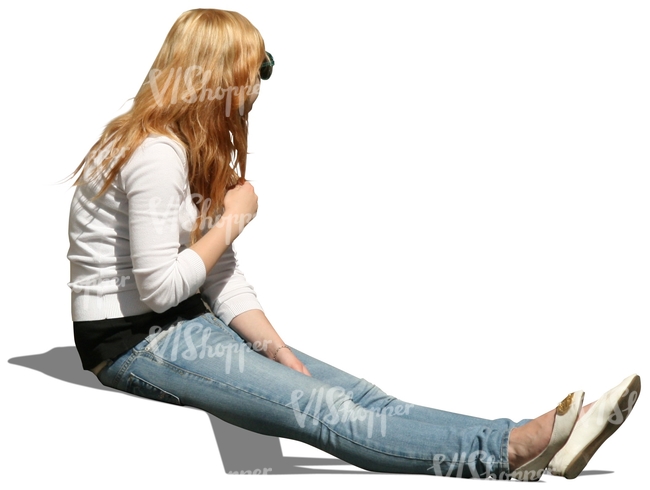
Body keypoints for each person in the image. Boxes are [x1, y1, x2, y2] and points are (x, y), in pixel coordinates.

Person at [67, 8, 640, 481]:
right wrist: (234, 220)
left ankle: (525, 442)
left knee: (363, 396)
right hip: (133, 341)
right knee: (321, 409)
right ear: (212, 74)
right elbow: (159, 287)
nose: (259, 84)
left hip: (186, 321)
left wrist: (275, 350)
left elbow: (220, 276)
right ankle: (512, 449)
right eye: (254, 69)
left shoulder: (191, 147)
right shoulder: (155, 153)